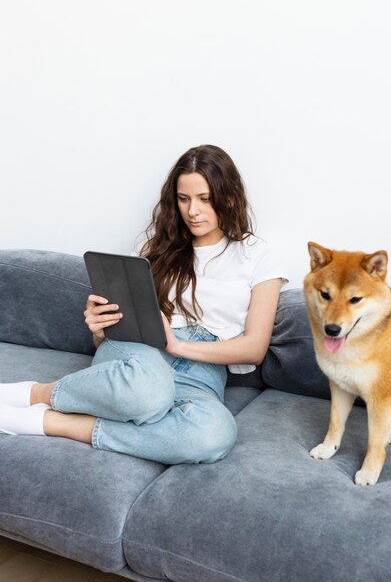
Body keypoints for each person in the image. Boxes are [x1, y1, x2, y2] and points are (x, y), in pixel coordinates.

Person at [0, 145, 288, 464]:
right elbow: (116, 332)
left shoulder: (258, 256)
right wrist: (100, 328)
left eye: (205, 199)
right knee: (148, 389)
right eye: (184, 198)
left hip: (202, 371)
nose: (193, 211)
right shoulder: (154, 248)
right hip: (139, 354)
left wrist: (178, 346)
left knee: (214, 435)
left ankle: (58, 422)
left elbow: (254, 348)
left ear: (229, 197)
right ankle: (37, 393)